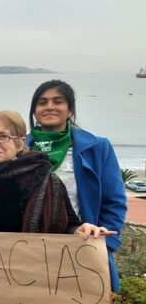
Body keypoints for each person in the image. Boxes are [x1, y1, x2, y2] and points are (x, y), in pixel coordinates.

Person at [26, 80, 126, 292]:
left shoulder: (97, 147)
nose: (49, 106)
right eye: (42, 102)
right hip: (28, 253)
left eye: (58, 101)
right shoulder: (20, 148)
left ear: (70, 110)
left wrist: (103, 248)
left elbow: (114, 202)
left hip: (81, 250)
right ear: (35, 111)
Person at [0, 111, 114, 238]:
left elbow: (67, 224)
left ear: (19, 143)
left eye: (3, 137)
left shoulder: (43, 178)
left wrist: (80, 229)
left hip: (25, 271)